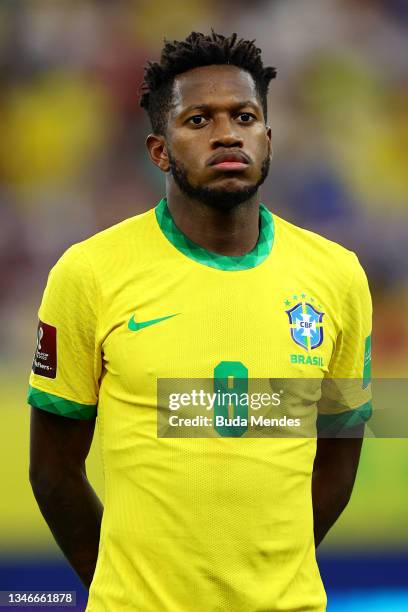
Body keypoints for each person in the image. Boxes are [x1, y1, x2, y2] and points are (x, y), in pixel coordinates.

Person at [28, 31, 372, 612]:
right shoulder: (88, 274)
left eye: (244, 116)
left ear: (268, 139)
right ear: (159, 151)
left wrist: (267, 579)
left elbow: (339, 457)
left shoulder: (338, 276)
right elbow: (53, 471)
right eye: (198, 120)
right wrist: (125, 588)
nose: (227, 134)